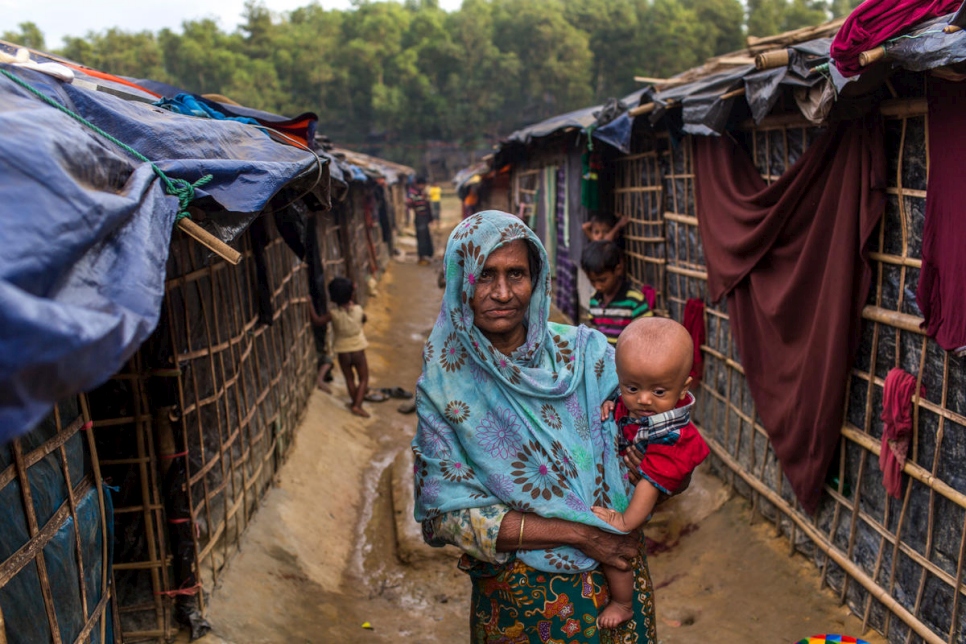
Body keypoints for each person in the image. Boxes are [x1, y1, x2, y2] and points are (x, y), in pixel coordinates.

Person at [413, 210, 661, 643]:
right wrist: (581, 535)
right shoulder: (444, 386)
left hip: (618, 585)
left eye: (517, 274)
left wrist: (647, 460)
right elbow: (444, 517)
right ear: (461, 282)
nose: (503, 292)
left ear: (537, 278)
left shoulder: (590, 355)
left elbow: (656, 438)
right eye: (485, 275)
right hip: (521, 606)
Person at [591, 317, 710, 627]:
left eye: (658, 392)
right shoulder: (636, 399)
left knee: (617, 549)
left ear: (684, 387)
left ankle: (623, 603)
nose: (643, 400)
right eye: (632, 387)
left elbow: (650, 483)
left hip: (639, 493)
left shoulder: (671, 435)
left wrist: (626, 520)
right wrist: (611, 402)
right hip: (622, 481)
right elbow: (623, 401)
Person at [308, 277, 371, 418]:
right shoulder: (358, 309)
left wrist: (310, 304)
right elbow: (364, 319)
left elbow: (318, 321)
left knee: (349, 379)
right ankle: (357, 405)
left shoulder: (333, 314)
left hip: (343, 352)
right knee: (363, 379)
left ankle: (355, 402)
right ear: (352, 295)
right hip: (358, 351)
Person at [581, 240, 652, 346]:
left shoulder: (635, 302)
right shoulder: (594, 300)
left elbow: (646, 336)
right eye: (592, 281)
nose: (597, 286)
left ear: (618, 270)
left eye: (602, 280)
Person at [407, 176, 434, 264]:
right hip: (419, 217)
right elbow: (409, 203)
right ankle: (422, 256)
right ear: (419, 184)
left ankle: (427, 255)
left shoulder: (423, 194)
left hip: (425, 218)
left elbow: (428, 206)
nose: (423, 187)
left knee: (426, 236)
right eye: (422, 185)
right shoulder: (414, 194)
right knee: (421, 237)